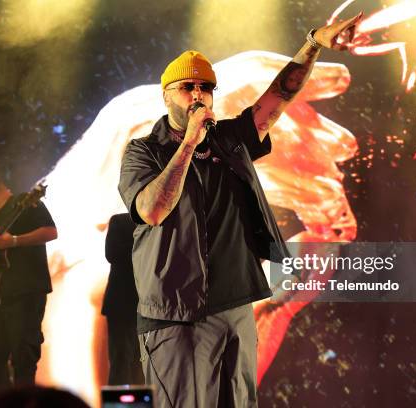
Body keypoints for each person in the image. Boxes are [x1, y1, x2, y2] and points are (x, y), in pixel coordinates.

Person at [118, 14, 362, 407]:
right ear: (166, 95)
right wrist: (188, 145)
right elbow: (151, 211)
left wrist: (314, 42)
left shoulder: (231, 139)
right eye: (187, 87)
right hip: (174, 313)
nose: (198, 94)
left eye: (206, 88)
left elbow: (278, 97)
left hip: (234, 306)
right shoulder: (143, 151)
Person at [0, 170, 57, 397]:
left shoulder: (24, 203)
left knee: (23, 359)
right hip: (0, 297)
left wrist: (15, 241)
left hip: (25, 293)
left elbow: (51, 231)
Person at [101, 213, 144, 385]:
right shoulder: (120, 221)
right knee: (121, 361)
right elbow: (112, 254)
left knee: (141, 364)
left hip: (148, 305)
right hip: (123, 303)